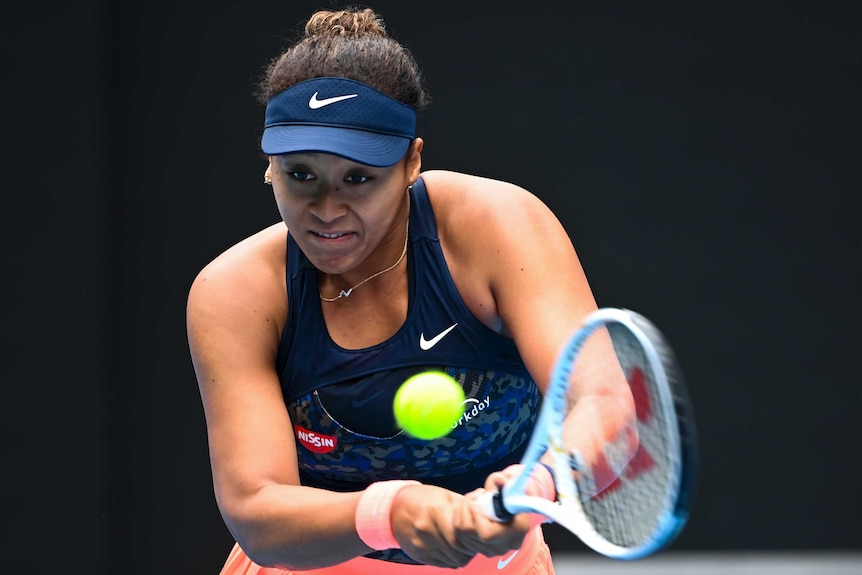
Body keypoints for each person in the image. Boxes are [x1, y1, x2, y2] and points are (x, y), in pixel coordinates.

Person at [186, 6, 636, 575]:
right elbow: (258, 515)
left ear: (411, 164)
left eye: (358, 178)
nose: (326, 210)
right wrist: (391, 513)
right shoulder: (235, 291)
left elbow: (602, 403)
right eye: (301, 174)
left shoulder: (497, 227)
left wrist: (540, 482)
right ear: (269, 167)